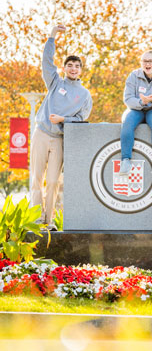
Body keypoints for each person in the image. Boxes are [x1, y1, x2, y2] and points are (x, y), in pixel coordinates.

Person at [31, 24, 93, 230]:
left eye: (77, 66)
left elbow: (82, 119)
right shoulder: (55, 82)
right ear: (65, 68)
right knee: (37, 178)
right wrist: (52, 36)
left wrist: (63, 119)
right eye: (70, 65)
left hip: (59, 139)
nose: (73, 68)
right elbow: (46, 62)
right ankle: (35, 219)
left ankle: (48, 222)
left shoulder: (84, 95)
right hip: (41, 134)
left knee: (53, 181)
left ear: (81, 70)